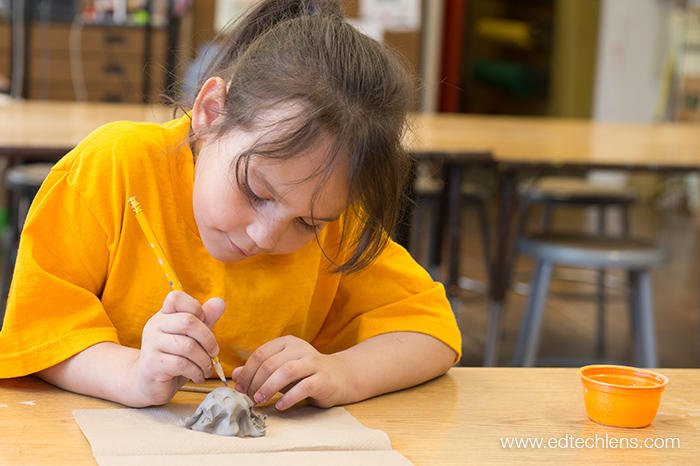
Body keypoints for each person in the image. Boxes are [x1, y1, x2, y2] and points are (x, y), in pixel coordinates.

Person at [0, 0, 461, 409]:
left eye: (307, 224)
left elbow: (432, 334)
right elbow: (41, 336)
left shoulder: (336, 214)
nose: (266, 236)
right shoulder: (115, 169)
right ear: (211, 113)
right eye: (257, 193)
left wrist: (345, 373)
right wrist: (134, 374)